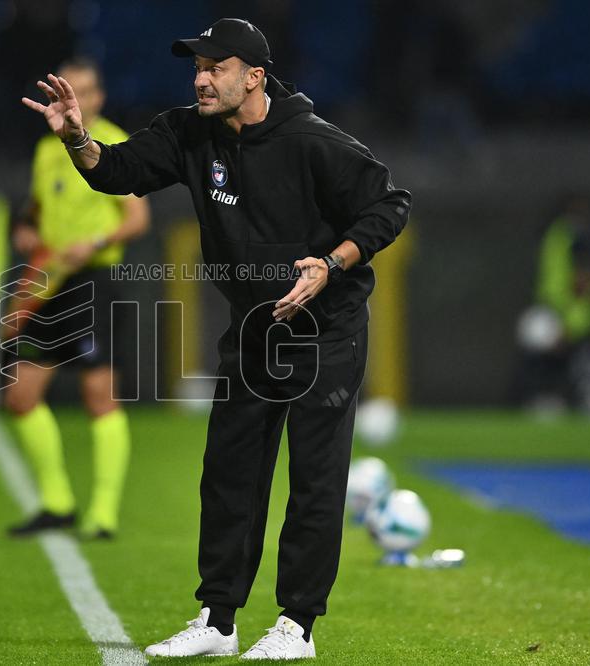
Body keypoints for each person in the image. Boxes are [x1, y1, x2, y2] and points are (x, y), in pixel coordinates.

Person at [23, 18, 411, 660]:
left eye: (215, 68)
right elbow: (115, 172)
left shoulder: (315, 142)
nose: (200, 79)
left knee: (314, 478)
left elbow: (390, 204)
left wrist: (331, 262)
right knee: (229, 472)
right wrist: (77, 140)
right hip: (255, 329)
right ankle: (219, 619)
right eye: (196, 68)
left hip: (324, 328)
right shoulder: (188, 131)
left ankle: (297, 627)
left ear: (254, 78)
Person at [5, 57, 150, 540]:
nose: (77, 99)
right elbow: (40, 207)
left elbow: (136, 219)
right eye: (69, 90)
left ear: (98, 97)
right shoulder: (48, 151)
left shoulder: (110, 142)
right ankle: (57, 503)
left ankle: (103, 514)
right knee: (21, 395)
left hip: (92, 281)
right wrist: (27, 229)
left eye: (85, 91)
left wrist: (94, 243)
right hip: (50, 281)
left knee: (98, 395)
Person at [515, 197, 590, 422]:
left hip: (577, 313)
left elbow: (581, 281)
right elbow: (580, 280)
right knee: (549, 342)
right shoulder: (568, 235)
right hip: (566, 311)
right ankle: (551, 397)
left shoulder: (559, 235)